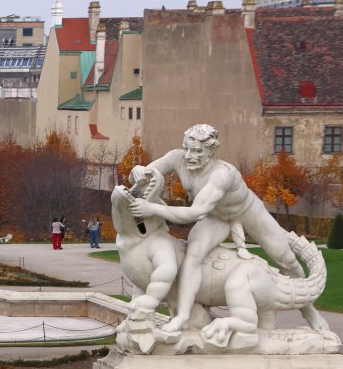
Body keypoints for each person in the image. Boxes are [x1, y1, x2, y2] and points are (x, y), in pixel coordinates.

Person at [133, 123, 316, 336]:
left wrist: (151, 208)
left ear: (211, 151)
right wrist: (138, 172)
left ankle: (309, 310)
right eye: (188, 148)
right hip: (215, 217)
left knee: (286, 258)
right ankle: (183, 317)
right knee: (193, 255)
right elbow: (146, 175)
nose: (190, 155)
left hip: (246, 211)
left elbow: (195, 213)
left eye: (197, 151)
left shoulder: (222, 174)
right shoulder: (177, 157)